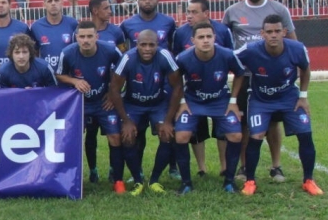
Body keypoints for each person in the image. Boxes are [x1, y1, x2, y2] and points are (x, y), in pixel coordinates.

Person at [235, 15, 322, 196]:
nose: (273, 35)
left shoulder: (297, 49)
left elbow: (306, 69)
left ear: (284, 32)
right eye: (269, 32)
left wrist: (303, 96)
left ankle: (308, 180)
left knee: (305, 134)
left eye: (277, 31)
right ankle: (250, 181)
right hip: (260, 100)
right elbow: (229, 59)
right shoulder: (250, 50)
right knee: (256, 135)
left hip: (289, 97)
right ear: (262, 34)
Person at [223, 0, 296, 183]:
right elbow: (226, 43)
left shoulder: (279, 9)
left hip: (273, 77)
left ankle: (276, 166)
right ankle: (245, 167)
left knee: (273, 123)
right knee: (244, 123)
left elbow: (292, 40)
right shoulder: (232, 12)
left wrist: (293, 70)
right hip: (245, 76)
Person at [169, 22, 245, 195]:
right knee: (181, 136)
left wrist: (233, 100)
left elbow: (240, 74)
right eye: (201, 37)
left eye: (209, 37)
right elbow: (174, 79)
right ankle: (186, 183)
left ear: (214, 38)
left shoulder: (227, 55)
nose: (205, 41)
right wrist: (182, 101)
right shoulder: (183, 58)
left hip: (221, 100)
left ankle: (229, 181)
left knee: (235, 135)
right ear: (193, 40)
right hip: (193, 101)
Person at [107, 29, 181, 196]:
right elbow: (114, 88)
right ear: (136, 45)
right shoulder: (127, 58)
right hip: (133, 105)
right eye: (143, 45)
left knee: (167, 134)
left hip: (158, 104)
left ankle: (154, 180)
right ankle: (138, 180)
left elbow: (177, 86)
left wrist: (168, 120)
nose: (147, 49)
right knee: (127, 136)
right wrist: (125, 120)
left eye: (151, 45)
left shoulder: (165, 56)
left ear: (157, 45)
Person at [56, 21, 126, 193]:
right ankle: (84, 174)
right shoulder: (68, 53)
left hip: (104, 102)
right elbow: (59, 75)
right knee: (75, 139)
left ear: (97, 36)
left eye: (89, 36)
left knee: (115, 137)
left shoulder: (110, 51)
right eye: (82, 37)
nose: (85, 40)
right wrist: (74, 81)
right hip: (80, 103)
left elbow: (123, 72)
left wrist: (112, 93)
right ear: (76, 38)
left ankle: (117, 179)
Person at [30, 0, 79, 70]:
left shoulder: (73, 23)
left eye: (56, 0)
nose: (53, 3)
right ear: (44, 4)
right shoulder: (36, 27)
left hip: (69, 75)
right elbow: (34, 53)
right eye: (50, 1)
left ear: (61, 3)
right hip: (46, 77)